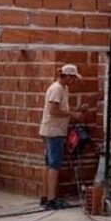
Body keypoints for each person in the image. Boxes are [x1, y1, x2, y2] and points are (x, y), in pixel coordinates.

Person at [39, 64, 88, 210]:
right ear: (66, 76)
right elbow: (53, 110)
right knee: (54, 164)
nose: (74, 82)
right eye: (73, 78)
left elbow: (62, 109)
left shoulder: (64, 89)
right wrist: (73, 115)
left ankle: (46, 195)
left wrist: (76, 110)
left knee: (49, 163)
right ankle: (51, 199)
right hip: (54, 131)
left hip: (54, 129)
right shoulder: (56, 89)